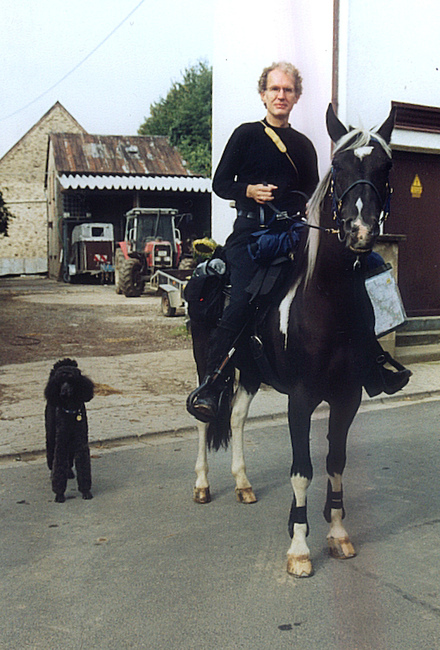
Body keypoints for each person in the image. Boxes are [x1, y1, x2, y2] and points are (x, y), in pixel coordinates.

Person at [187, 62, 410, 422]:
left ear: (296, 96)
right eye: (274, 89)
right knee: (242, 298)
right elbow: (220, 183)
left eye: (287, 90)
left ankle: (375, 360)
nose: (281, 96)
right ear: (263, 95)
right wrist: (248, 189)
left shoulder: (304, 146)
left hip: (295, 233)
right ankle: (212, 382)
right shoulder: (246, 135)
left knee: (367, 274)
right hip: (252, 235)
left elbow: (313, 193)